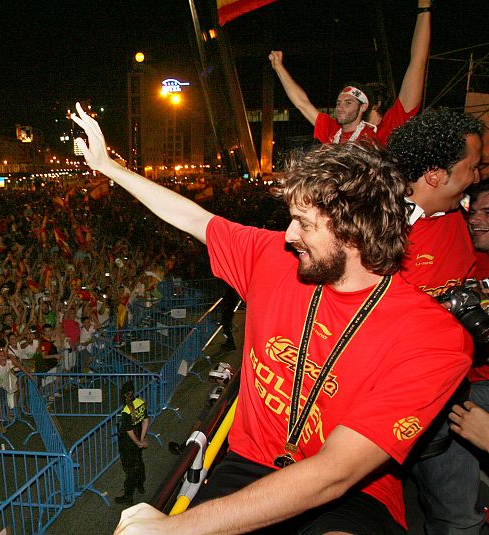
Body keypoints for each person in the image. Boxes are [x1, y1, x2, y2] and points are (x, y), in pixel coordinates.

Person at [71, 102, 472, 533]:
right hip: (248, 466)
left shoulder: (434, 338)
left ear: (353, 230)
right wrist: (108, 166)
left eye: (303, 223)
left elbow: (336, 473)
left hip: (353, 493)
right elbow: (195, 219)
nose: (288, 235)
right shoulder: (271, 259)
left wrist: (174, 528)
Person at [387, 109, 485, 535]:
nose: (478, 176)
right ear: (433, 175)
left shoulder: (460, 220)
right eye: (472, 167)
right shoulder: (374, 228)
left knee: (457, 519)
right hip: (389, 403)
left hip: (454, 400)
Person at [268, 0, 430, 145]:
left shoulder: (387, 129)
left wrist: (424, 9)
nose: (340, 107)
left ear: (367, 106)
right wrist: (279, 68)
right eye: (339, 102)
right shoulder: (333, 130)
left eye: (348, 102)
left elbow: (418, 63)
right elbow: (302, 103)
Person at [115, 381, 149, 505]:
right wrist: (142, 439)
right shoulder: (140, 402)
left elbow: (128, 430)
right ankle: (140, 485)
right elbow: (145, 420)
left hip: (128, 444)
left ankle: (128, 494)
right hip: (139, 436)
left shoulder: (126, 411)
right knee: (139, 462)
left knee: (130, 469)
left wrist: (137, 442)